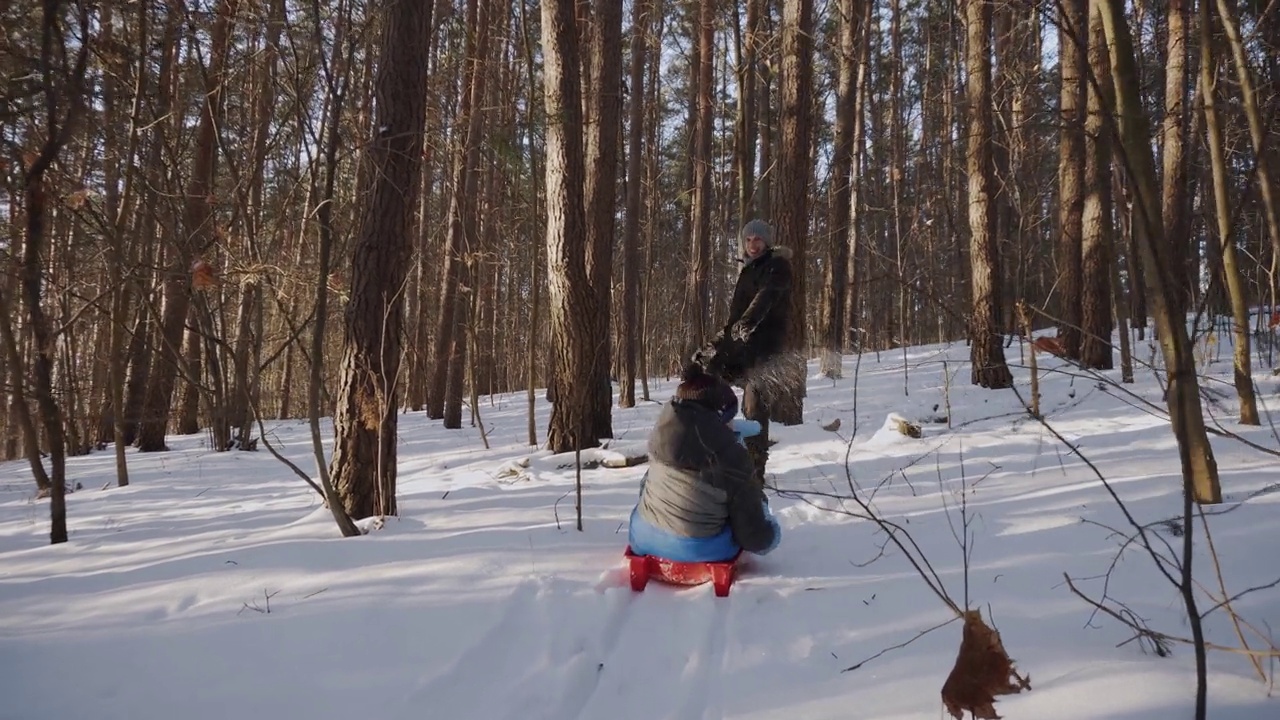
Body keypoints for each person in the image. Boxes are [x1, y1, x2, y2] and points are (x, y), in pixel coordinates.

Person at [627, 364, 781, 563]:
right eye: (730, 418)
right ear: (719, 417)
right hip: (697, 550)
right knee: (755, 506)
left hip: (643, 537)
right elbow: (754, 539)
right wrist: (771, 533)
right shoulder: (731, 456)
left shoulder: (661, 434)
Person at [692, 218, 794, 488]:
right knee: (706, 383)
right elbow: (734, 320)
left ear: (767, 242)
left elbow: (766, 297)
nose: (752, 244)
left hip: (766, 350)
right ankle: (708, 458)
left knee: (755, 406)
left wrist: (748, 323)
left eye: (758, 239)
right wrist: (714, 346)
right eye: (748, 240)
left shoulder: (778, 266)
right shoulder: (747, 271)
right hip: (744, 346)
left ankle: (754, 472)